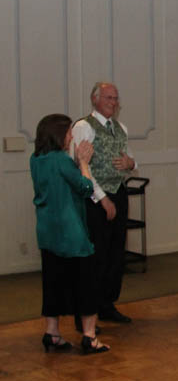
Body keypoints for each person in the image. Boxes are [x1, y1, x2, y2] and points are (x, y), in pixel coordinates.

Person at [31, 114, 108, 354]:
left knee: (53, 282)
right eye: (68, 133)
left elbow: (62, 184)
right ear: (57, 135)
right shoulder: (61, 160)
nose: (71, 137)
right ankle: (89, 336)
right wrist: (84, 163)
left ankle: (52, 333)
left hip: (47, 232)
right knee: (86, 283)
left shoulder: (36, 159)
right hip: (71, 232)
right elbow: (85, 188)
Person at [71, 82, 136, 326]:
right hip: (94, 199)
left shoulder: (120, 128)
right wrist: (103, 199)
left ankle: (106, 304)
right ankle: (86, 311)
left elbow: (130, 158)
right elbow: (80, 166)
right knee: (95, 257)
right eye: (109, 97)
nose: (113, 102)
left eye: (116, 98)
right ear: (95, 99)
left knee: (115, 254)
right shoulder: (83, 127)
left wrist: (131, 164)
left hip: (118, 192)